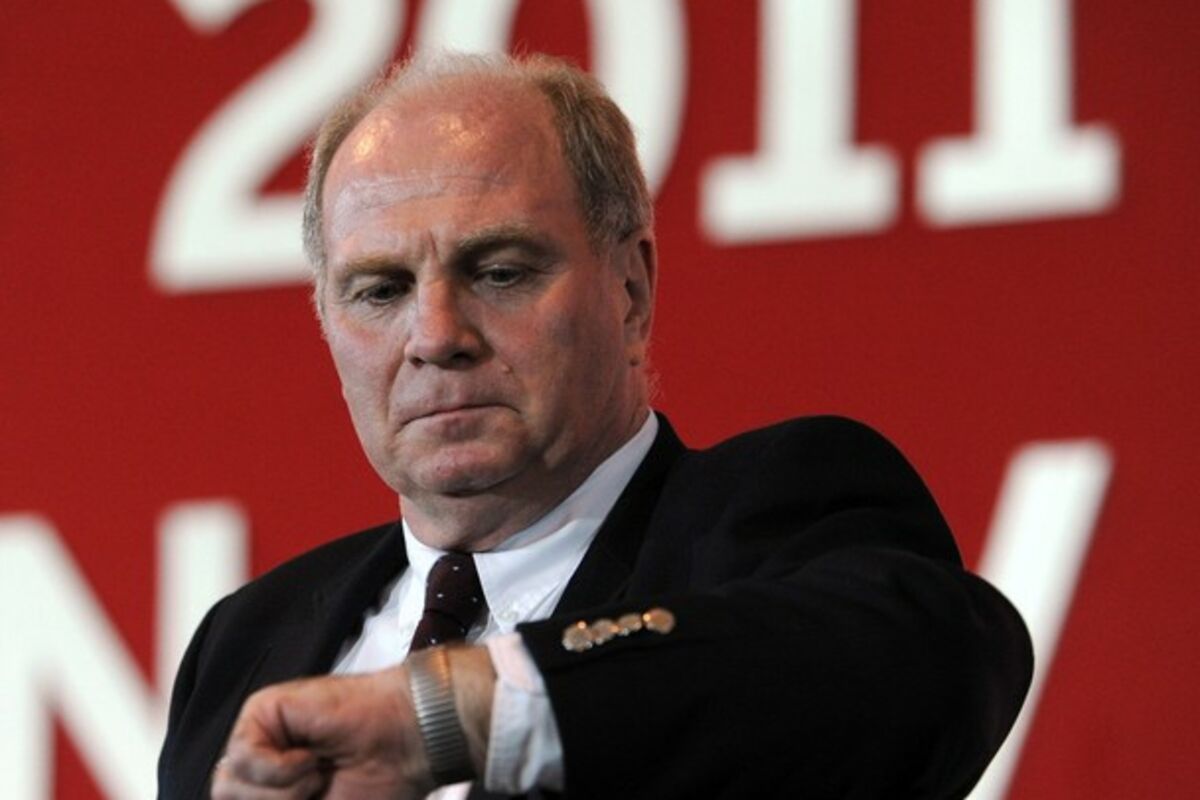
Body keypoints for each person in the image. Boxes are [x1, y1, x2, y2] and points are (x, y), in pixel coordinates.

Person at [158, 52, 1032, 800]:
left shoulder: (770, 519)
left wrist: (460, 713)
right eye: (380, 290)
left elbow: (936, 662)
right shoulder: (244, 642)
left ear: (631, 291)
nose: (435, 336)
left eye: (500, 272)